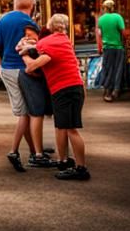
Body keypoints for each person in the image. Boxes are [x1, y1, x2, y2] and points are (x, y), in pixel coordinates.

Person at [19, 14, 89, 180]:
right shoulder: (65, 40)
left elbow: (31, 67)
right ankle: (63, 160)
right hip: (74, 88)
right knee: (61, 126)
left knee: (71, 129)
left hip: (64, 90)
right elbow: (44, 53)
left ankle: (81, 168)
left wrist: (23, 53)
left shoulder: (47, 42)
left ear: (50, 27)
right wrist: (31, 48)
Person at [0, 0, 48, 171]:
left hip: (7, 68)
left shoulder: (2, 21)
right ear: (32, 6)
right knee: (29, 113)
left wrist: (0, 69)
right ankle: (16, 151)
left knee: (23, 111)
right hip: (23, 69)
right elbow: (36, 47)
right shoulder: (28, 22)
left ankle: (34, 151)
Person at [96, 0, 128, 102]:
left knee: (107, 68)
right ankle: (116, 90)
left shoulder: (101, 19)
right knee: (118, 69)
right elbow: (123, 32)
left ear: (104, 8)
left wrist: (100, 47)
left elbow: (100, 34)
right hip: (118, 47)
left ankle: (107, 91)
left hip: (107, 48)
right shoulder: (118, 17)